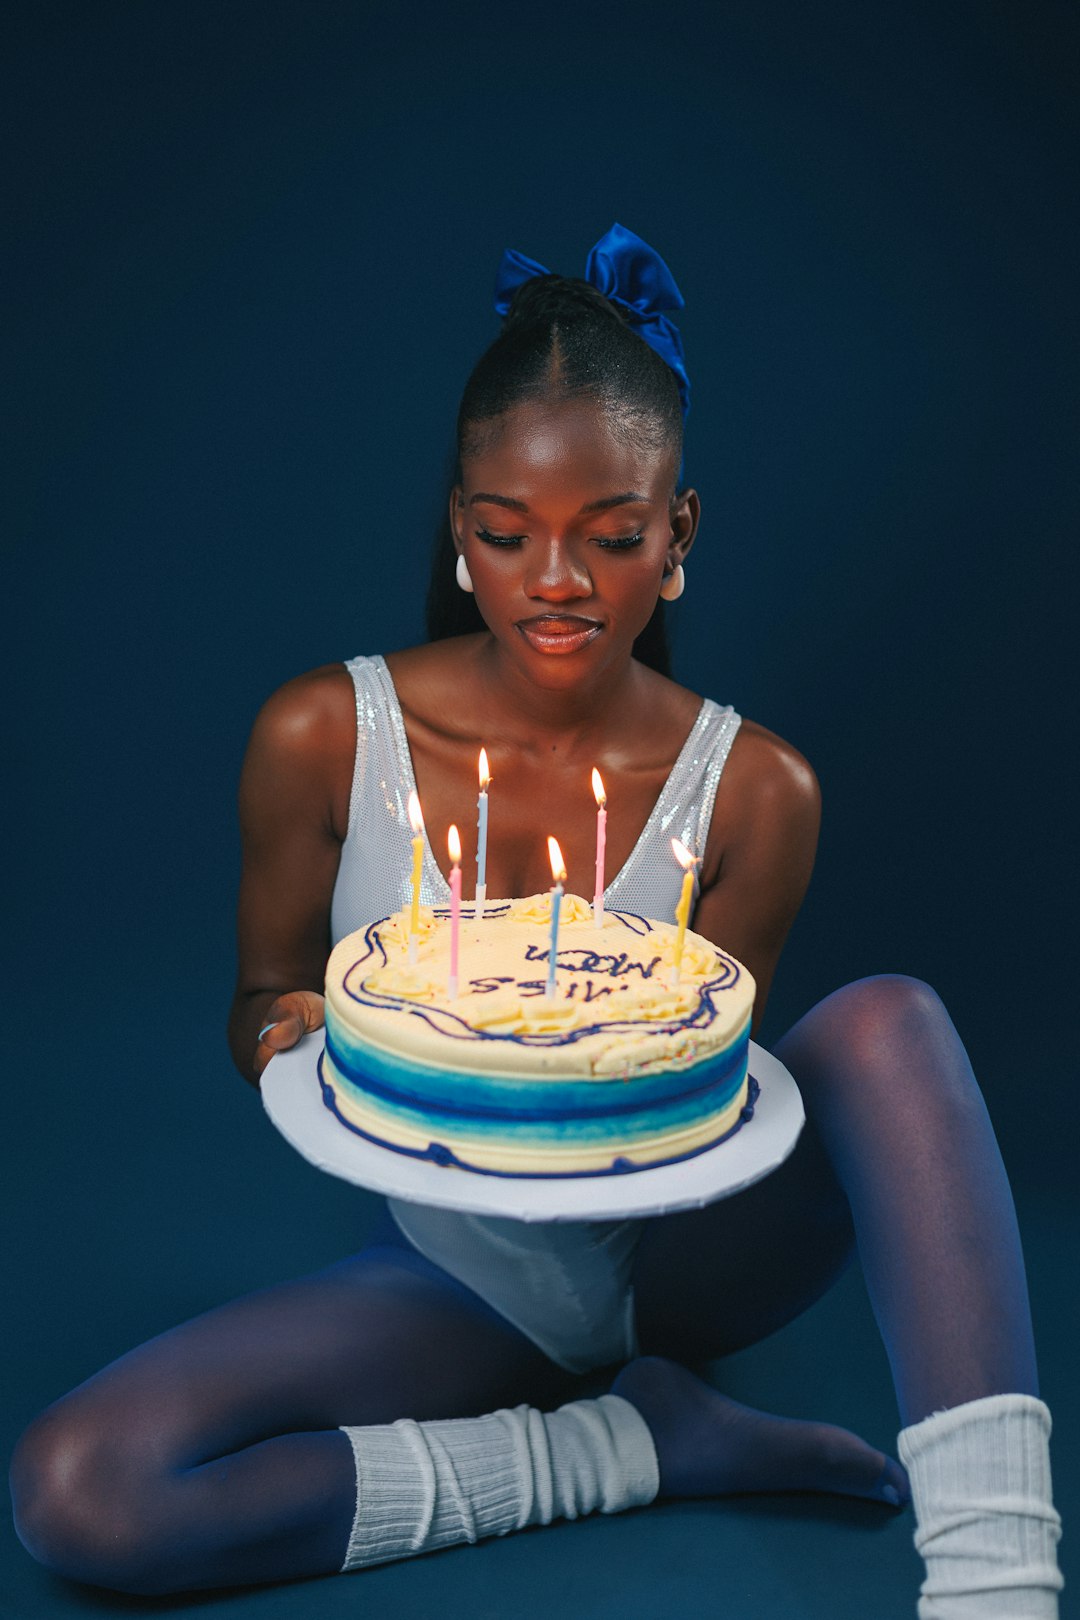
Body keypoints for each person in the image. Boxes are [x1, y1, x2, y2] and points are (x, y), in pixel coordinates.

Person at [9, 225, 1063, 1616]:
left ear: (676, 538)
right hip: (463, 1275)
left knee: (889, 1023)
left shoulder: (757, 788)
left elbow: (697, 1082)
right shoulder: (325, 733)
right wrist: (294, 1035)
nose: (555, 582)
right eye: (507, 536)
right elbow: (262, 993)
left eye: (611, 538)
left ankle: (1000, 1586)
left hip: (690, 1260)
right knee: (78, 1491)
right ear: (459, 531)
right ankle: (632, 1448)